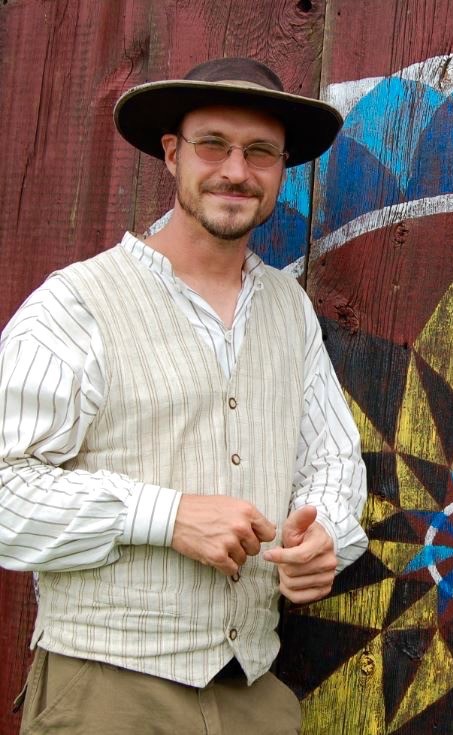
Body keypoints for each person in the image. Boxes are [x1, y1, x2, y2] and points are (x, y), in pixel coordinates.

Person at [0, 57, 367, 734]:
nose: (236, 170)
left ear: (281, 167)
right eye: (213, 145)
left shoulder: (288, 308)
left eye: (260, 152)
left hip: (251, 691)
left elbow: (334, 463)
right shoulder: (76, 304)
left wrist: (328, 539)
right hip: (107, 694)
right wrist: (164, 515)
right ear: (172, 154)